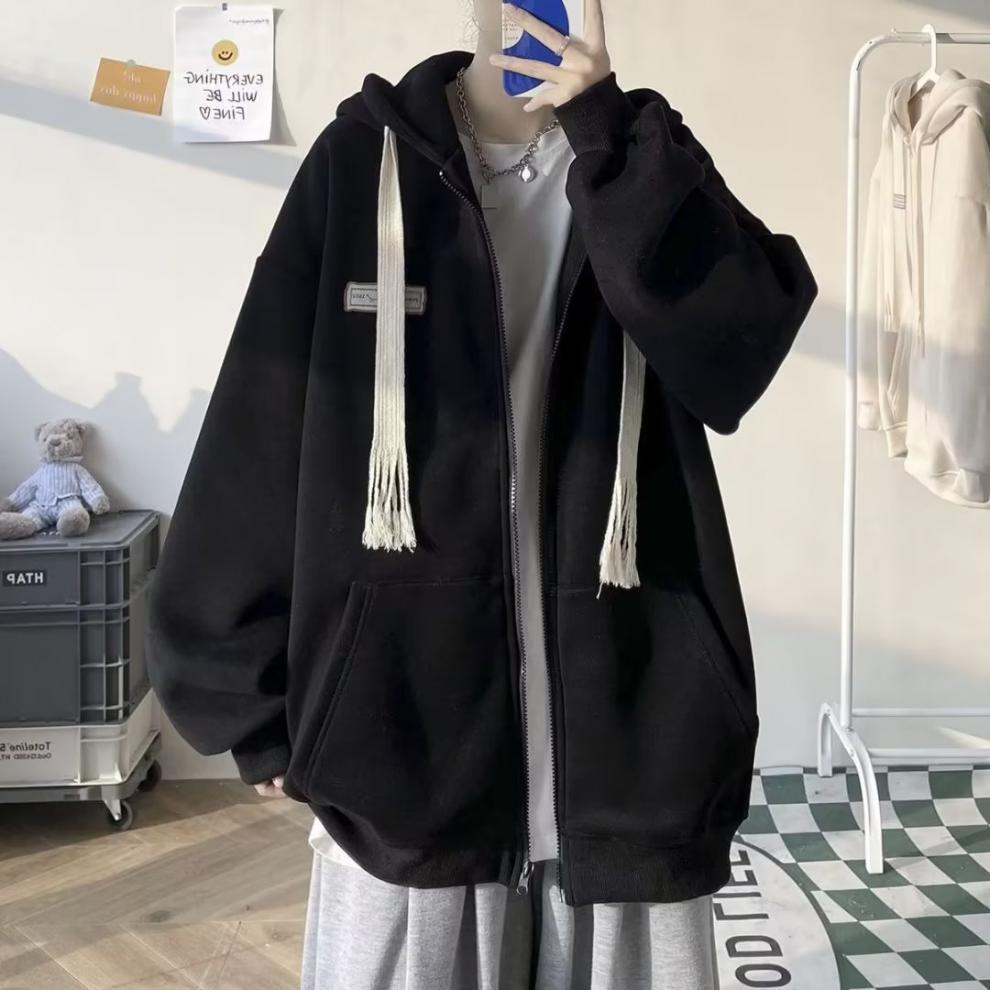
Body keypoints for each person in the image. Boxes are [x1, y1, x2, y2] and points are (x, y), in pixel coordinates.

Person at [145, 0, 819, 987]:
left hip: (629, 732)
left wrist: (604, 127)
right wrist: (239, 688)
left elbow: (738, 351)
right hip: (403, 745)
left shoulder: (641, 159)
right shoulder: (360, 161)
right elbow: (265, 412)